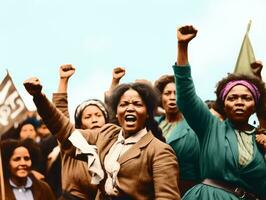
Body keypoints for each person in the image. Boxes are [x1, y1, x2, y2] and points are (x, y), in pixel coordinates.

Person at [23, 77, 181, 199]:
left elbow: (167, 197)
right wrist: (39, 98)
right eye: (124, 104)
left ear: (147, 113)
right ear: (116, 112)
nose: (130, 108)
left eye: (137, 104)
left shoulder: (160, 151)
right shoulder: (107, 135)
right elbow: (66, 131)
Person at [173, 25, 266, 199]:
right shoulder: (210, 127)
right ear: (223, 104)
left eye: (246, 98)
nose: (239, 102)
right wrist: (182, 47)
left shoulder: (260, 140)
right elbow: (186, 95)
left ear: (255, 105)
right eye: (232, 98)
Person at [51, 64, 110, 200]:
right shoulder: (71, 140)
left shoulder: (115, 143)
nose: (94, 120)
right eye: (88, 117)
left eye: (98, 115)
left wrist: (115, 82)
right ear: (80, 124)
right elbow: (60, 113)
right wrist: (63, 80)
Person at [154, 74, 200, 196]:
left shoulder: (194, 126)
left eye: (176, 93)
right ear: (160, 97)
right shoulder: (152, 126)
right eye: (167, 93)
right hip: (154, 190)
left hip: (186, 191)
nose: (172, 97)